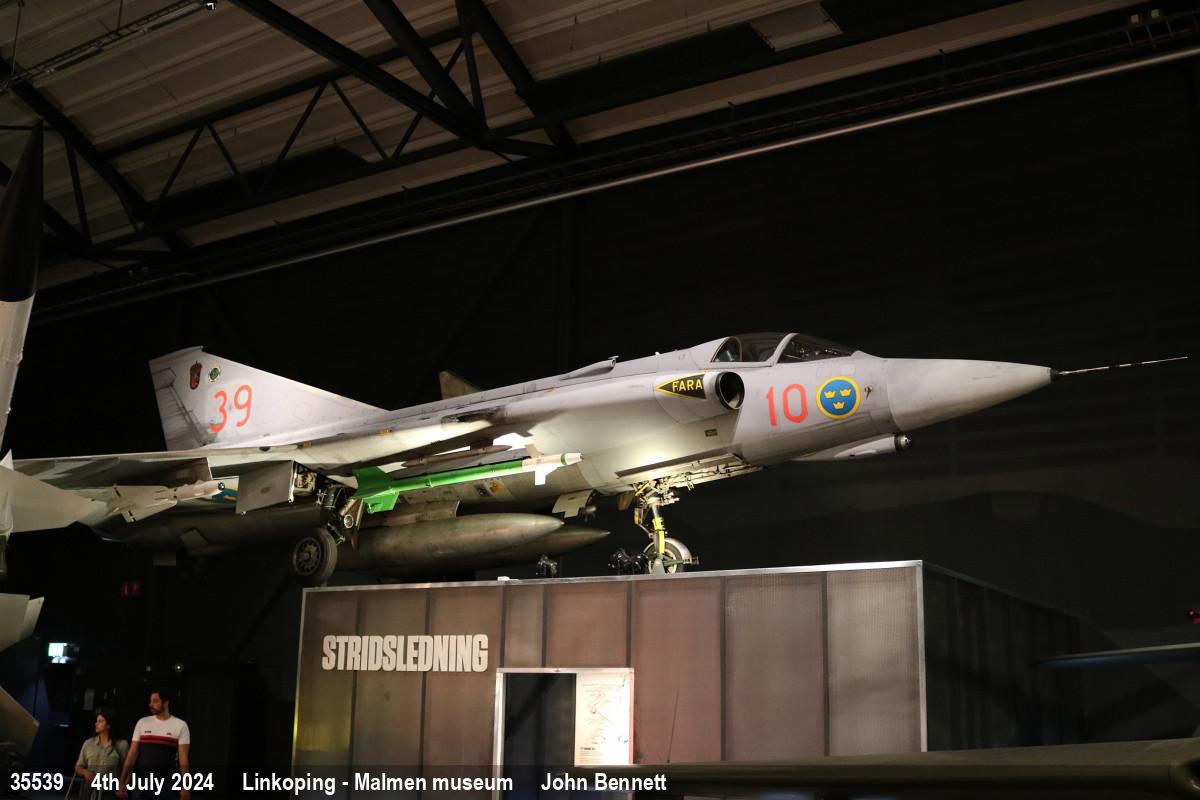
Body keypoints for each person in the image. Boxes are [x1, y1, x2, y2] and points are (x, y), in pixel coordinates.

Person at [117, 688, 191, 800]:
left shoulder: (180, 725)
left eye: (155, 701)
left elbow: (183, 758)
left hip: (167, 781)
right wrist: (122, 781)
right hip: (142, 779)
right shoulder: (142, 722)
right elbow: (132, 753)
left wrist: (185, 786)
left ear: (166, 702)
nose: (151, 704)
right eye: (150, 701)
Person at [74, 709, 128, 799]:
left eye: (100, 721)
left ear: (109, 725)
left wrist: (123, 786)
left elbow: (128, 769)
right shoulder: (88, 744)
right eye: (97, 721)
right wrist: (85, 773)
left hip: (110, 792)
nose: (96, 724)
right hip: (89, 791)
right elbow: (78, 767)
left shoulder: (122, 745)